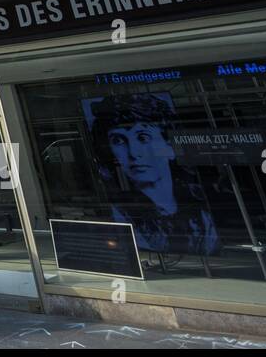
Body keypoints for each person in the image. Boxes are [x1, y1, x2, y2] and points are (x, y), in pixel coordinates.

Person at [88, 92, 220, 257]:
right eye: (118, 141)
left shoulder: (205, 204)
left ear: (170, 146)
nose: (134, 153)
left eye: (143, 138)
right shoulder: (119, 213)